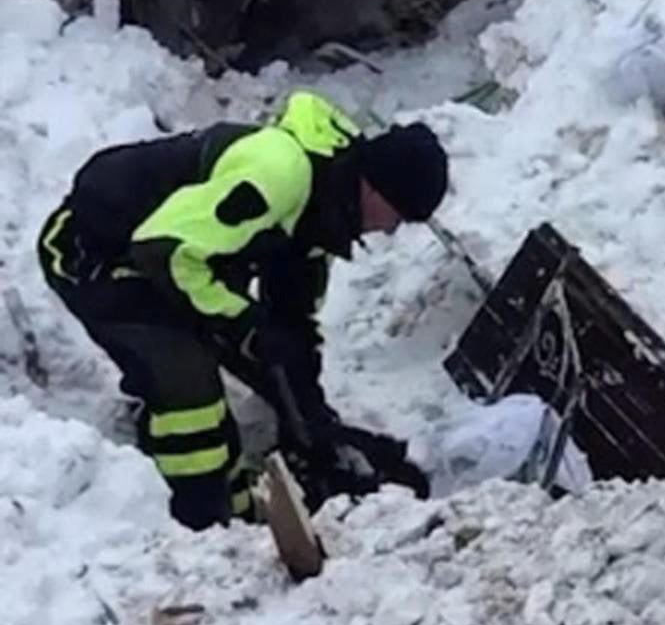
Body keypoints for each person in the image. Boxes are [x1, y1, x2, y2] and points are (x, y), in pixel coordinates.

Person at [36, 90, 443, 528]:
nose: (392, 229)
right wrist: (244, 323)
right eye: (398, 215)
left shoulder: (325, 208)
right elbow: (162, 252)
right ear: (376, 187)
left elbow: (291, 326)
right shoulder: (280, 175)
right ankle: (204, 514)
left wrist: (317, 426)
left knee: (267, 355)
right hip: (95, 251)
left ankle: (256, 480)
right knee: (187, 375)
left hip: (184, 258)